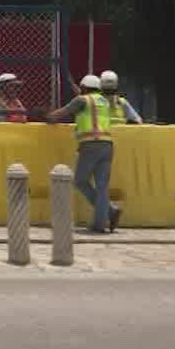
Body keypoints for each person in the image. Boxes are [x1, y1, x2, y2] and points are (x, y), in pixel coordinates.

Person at [45, 73, 119, 233]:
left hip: (90, 145)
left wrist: (48, 116)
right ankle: (102, 221)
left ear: (84, 88)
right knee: (102, 186)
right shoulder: (104, 101)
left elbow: (63, 112)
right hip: (107, 145)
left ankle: (110, 211)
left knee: (80, 181)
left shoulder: (82, 100)